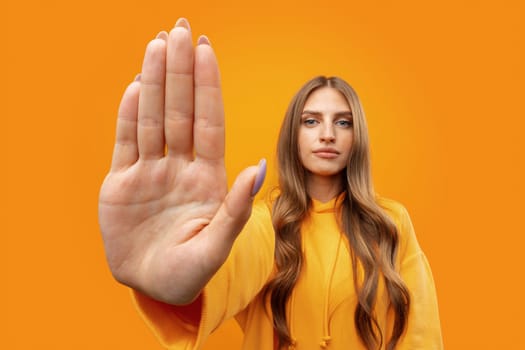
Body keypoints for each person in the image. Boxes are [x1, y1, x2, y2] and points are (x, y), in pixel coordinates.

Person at [98, 18, 443, 350]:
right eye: (311, 121)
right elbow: (232, 269)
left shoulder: (391, 222)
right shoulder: (264, 224)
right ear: (293, 134)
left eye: (342, 122)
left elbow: (420, 335)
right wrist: (175, 275)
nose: (327, 134)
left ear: (358, 137)